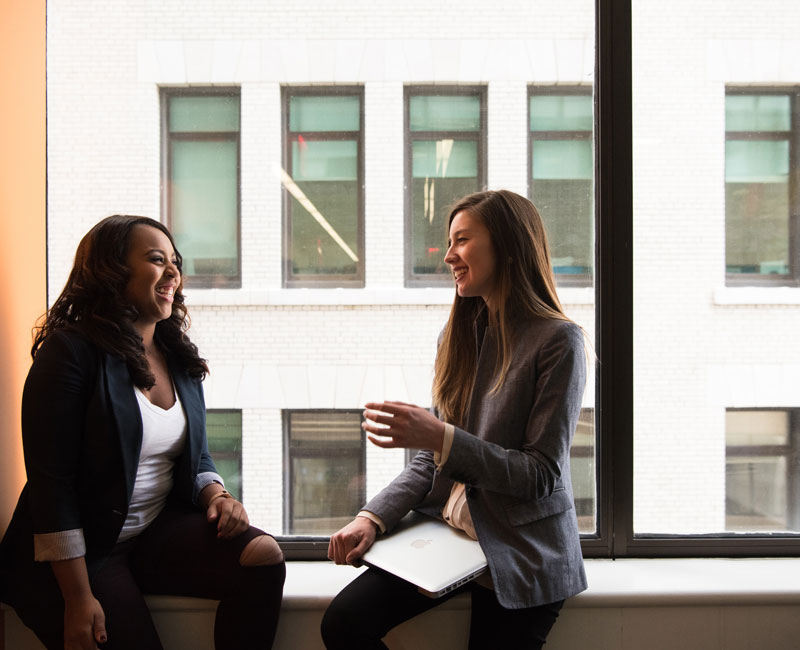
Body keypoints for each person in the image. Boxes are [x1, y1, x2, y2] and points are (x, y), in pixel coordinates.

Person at [0, 215, 285, 650]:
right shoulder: (71, 353)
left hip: (148, 533)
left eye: (176, 261)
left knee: (262, 556)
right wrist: (78, 599)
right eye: (157, 259)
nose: (173, 272)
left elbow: (197, 455)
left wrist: (216, 496)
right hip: (78, 556)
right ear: (111, 270)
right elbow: (50, 487)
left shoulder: (176, 355)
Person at [321, 190, 587, 650]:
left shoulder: (559, 342)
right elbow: (430, 461)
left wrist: (443, 438)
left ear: (507, 245)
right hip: (451, 537)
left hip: (520, 549)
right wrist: (372, 517)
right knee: (343, 624)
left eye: (462, 240)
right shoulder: (459, 333)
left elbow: (541, 475)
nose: (448, 256)